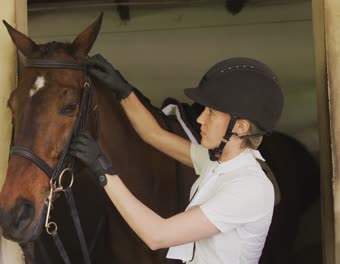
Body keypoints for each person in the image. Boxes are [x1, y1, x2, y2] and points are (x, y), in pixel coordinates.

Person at [69, 55, 284, 264]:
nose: (200, 119)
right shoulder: (218, 163)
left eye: (211, 113)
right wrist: (122, 90)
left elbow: (157, 235)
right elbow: (154, 134)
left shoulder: (248, 186)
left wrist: (102, 170)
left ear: (240, 127)